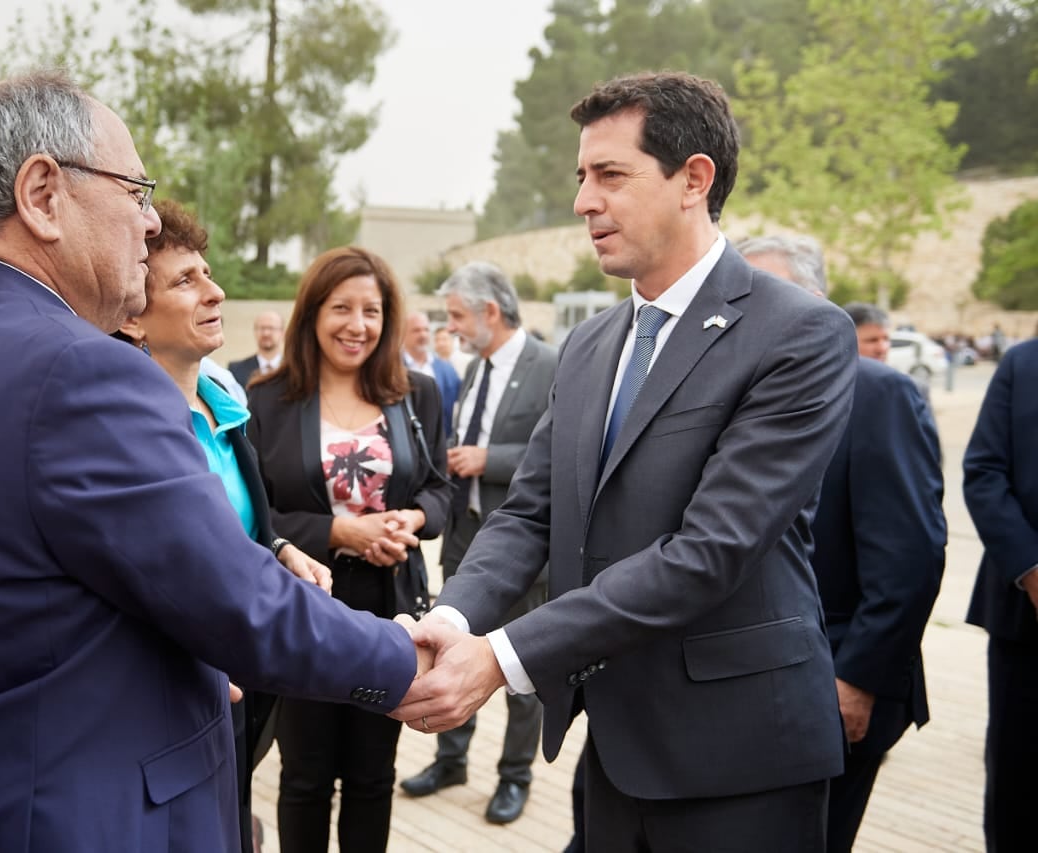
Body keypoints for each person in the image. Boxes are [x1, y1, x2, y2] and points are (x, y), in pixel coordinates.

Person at [0, 71, 423, 853]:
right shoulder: (74, 367)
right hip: (75, 818)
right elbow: (242, 605)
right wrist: (408, 659)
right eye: (135, 191)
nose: (151, 220)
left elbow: (40, 591)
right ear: (43, 194)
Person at [394, 71, 856, 852]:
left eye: (610, 175)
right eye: (581, 177)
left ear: (694, 180)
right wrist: (450, 618)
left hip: (740, 761)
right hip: (611, 750)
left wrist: (500, 658)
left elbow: (710, 553)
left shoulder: (799, 336)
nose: (583, 201)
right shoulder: (587, 345)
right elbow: (530, 513)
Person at [115, 198, 332, 853]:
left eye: (208, 273)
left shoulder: (223, 408)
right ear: (132, 314)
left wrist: (281, 546)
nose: (216, 292)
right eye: (186, 281)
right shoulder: (121, 425)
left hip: (239, 683)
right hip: (170, 696)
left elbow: (236, 530)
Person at [740, 234, 946, 852]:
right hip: (751, 687)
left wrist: (856, 679)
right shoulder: (743, 393)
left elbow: (910, 559)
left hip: (834, 686)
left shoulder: (880, 394)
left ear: (818, 304)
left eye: (768, 295)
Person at [245, 246, 452, 853]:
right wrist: (340, 532)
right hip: (306, 605)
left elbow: (441, 488)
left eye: (372, 310)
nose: (357, 325)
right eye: (342, 308)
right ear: (312, 312)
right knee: (304, 777)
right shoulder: (266, 400)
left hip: (389, 610)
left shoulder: (416, 394)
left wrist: (410, 519)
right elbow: (256, 519)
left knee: (372, 777)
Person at [400, 263, 556, 825]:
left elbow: (564, 453)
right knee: (448, 648)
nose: (453, 327)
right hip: (468, 544)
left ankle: (515, 776)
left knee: (522, 673)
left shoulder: (551, 365)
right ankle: (451, 759)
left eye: (460, 316)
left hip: (523, 555)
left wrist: (491, 460)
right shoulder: (472, 369)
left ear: (491, 312)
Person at [962, 337, 1038, 853]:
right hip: (1027, 617)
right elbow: (984, 472)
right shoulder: (1023, 362)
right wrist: (1032, 571)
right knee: (1020, 782)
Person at [402, 310, 460, 437]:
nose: (422, 335)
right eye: (416, 330)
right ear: (403, 334)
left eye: (426, 330)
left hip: (439, 443)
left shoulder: (446, 369)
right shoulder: (393, 368)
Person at [229, 311, 285, 387]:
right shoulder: (236, 370)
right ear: (255, 332)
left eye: (271, 328)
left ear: (282, 333)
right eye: (262, 328)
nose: (266, 333)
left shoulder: (296, 370)